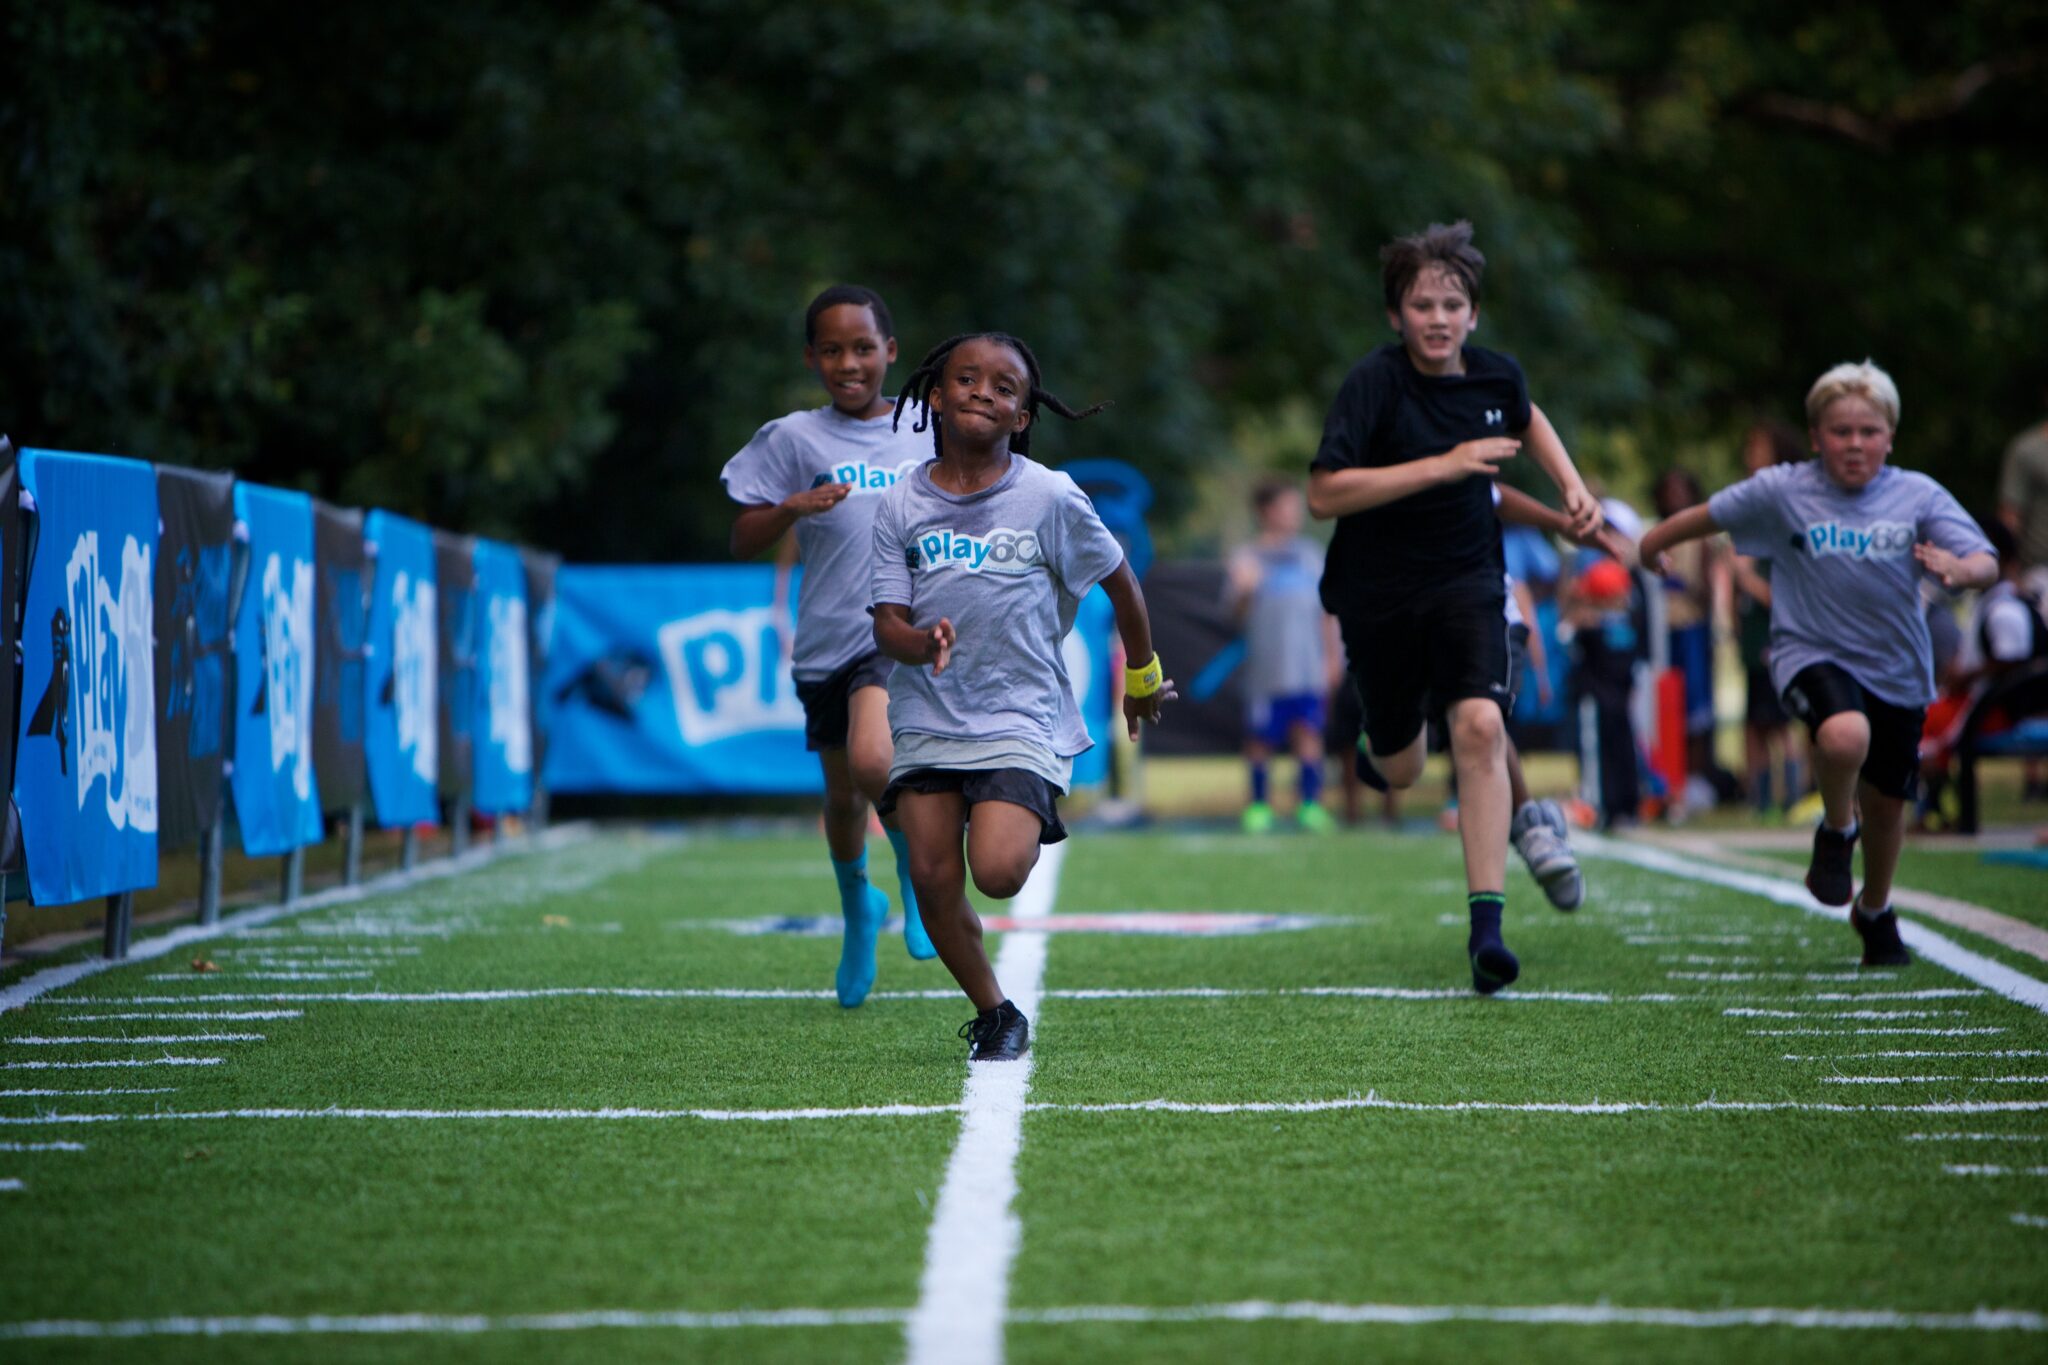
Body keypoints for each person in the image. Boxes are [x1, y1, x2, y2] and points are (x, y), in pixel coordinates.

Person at [1308, 220, 1602, 994]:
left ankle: (1488, 932)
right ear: (1395, 316)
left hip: (1469, 580)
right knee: (1400, 767)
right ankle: (1414, 737)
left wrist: (1571, 486)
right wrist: (1442, 465)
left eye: (1451, 303)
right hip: (1378, 596)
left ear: (1472, 314)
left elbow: (1526, 414)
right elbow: (1323, 492)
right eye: (1420, 304)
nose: (1437, 318)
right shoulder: (1373, 384)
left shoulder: (1495, 378)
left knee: (1478, 723)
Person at [871, 332, 1173, 1061]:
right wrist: (924, 643)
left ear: (1022, 416)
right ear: (934, 396)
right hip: (926, 714)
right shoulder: (899, 504)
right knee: (933, 875)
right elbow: (886, 625)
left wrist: (1141, 677)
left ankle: (1003, 804)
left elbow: (1121, 583)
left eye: (1004, 387)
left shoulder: (1050, 495)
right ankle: (996, 1012)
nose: (983, 391)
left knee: (1000, 869)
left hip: (1019, 712)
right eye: (966, 379)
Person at [1639, 360, 1996, 967]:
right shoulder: (1784, 489)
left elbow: (1983, 557)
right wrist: (1651, 545)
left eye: (1868, 432)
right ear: (1814, 437)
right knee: (1842, 734)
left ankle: (1876, 909)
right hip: (1810, 652)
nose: (1854, 444)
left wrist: (1962, 570)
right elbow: (1710, 515)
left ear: (1889, 436)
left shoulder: (1917, 494)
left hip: (1898, 668)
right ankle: (1835, 830)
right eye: (1840, 431)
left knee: (1888, 806)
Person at [721, 285, 935, 1009]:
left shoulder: (926, 428)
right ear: (812, 358)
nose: (850, 363)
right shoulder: (792, 439)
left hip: (895, 633)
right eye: (834, 350)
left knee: (878, 761)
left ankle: (912, 876)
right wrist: (789, 506)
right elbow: (742, 538)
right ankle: (859, 911)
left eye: (864, 348)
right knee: (843, 797)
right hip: (825, 643)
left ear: (891, 352)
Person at [1226, 479, 1339, 834]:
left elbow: (1327, 614)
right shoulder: (1247, 558)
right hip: (1266, 670)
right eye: (1286, 506)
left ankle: (1310, 805)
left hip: (1307, 669)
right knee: (1260, 740)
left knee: (1309, 734)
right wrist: (1245, 590)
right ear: (1265, 512)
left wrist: (1332, 658)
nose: (1294, 514)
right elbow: (1235, 615)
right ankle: (1259, 806)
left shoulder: (1310, 556)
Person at [1732, 421, 1807, 814]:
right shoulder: (1751, 507)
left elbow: (1785, 591)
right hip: (1752, 633)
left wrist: (1745, 580)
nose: (1750, 454)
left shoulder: (1784, 513)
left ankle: (1791, 793)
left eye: (1758, 446)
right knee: (1753, 722)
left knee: (1779, 721)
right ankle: (1758, 798)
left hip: (1775, 633)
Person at [1650, 467, 1734, 808]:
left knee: (1696, 707)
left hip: (1691, 630)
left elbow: (1706, 589)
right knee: (1666, 706)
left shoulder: (1701, 540)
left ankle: (1697, 779)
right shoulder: (1656, 534)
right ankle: (1669, 776)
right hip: (1662, 632)